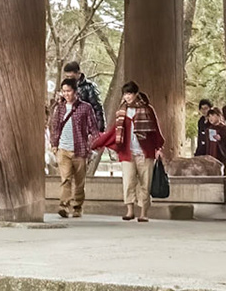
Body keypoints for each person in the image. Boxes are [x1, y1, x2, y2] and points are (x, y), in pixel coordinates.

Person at [90, 82, 165, 223]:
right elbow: (114, 131)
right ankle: (130, 211)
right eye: (125, 94)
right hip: (127, 152)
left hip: (145, 152)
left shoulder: (147, 109)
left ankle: (143, 213)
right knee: (128, 182)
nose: (127, 97)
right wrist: (98, 142)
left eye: (130, 93)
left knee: (145, 183)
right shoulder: (122, 111)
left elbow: (155, 130)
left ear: (136, 94)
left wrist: (159, 148)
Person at [48, 79, 98, 219]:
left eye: (68, 91)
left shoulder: (86, 108)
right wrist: (54, 145)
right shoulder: (60, 108)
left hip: (80, 150)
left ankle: (77, 206)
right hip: (63, 149)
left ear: (75, 91)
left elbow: (93, 129)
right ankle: (64, 205)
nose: (66, 94)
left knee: (79, 182)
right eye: (64, 91)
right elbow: (55, 127)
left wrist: (90, 146)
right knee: (66, 179)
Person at [195, 101, 226, 171]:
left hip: (220, 156)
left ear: (218, 115)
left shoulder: (224, 128)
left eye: (213, 115)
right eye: (209, 116)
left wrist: (220, 139)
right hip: (210, 155)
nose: (210, 118)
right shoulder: (208, 129)